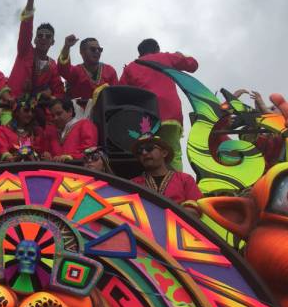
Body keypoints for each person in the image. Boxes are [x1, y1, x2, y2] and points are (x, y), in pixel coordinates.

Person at [119, 38, 199, 171]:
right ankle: (176, 186)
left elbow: (120, 93)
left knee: (147, 153)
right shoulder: (166, 57)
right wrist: (180, 55)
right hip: (171, 113)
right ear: (157, 49)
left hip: (146, 118)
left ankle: (151, 188)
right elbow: (193, 65)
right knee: (173, 153)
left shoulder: (132, 66)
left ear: (140, 54)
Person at [8, 0, 65, 100]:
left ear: (53, 42)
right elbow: (26, 28)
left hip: (38, 111)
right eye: (40, 35)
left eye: (48, 36)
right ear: (34, 40)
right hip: (13, 105)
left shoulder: (53, 65)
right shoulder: (25, 51)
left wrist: (49, 96)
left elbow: (59, 91)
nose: (43, 38)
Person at [130, 134, 202, 210]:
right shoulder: (133, 184)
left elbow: (196, 209)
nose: (144, 153)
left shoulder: (185, 179)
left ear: (164, 153)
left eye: (149, 148)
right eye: (140, 151)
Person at [58, 36, 118, 102]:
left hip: (105, 111)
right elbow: (63, 70)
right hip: (79, 111)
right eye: (93, 49)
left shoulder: (110, 70)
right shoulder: (76, 71)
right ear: (82, 52)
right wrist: (67, 47)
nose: (97, 51)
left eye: (100, 49)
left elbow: (116, 95)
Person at [0, 96, 43, 161]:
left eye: (32, 111)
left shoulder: (37, 131)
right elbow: (4, 151)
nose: (30, 114)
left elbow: (39, 153)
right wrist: (13, 157)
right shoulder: (3, 130)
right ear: (16, 112)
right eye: (26, 110)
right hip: (12, 168)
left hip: (33, 168)